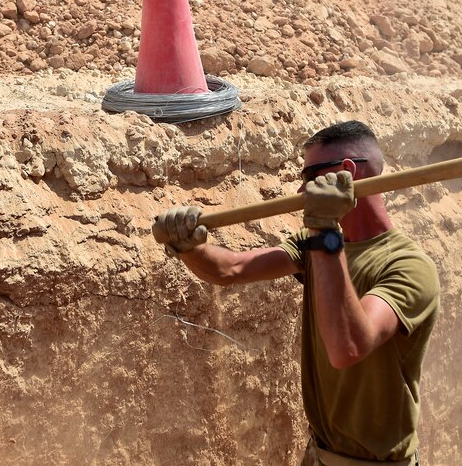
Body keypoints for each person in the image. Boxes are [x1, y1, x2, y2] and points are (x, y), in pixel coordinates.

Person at [152, 120, 440, 466]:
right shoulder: (316, 247)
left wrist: (323, 230)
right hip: (318, 456)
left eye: (310, 175)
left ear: (347, 172)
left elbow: (348, 347)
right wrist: (187, 246)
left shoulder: (408, 265)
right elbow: (229, 269)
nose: (302, 191)